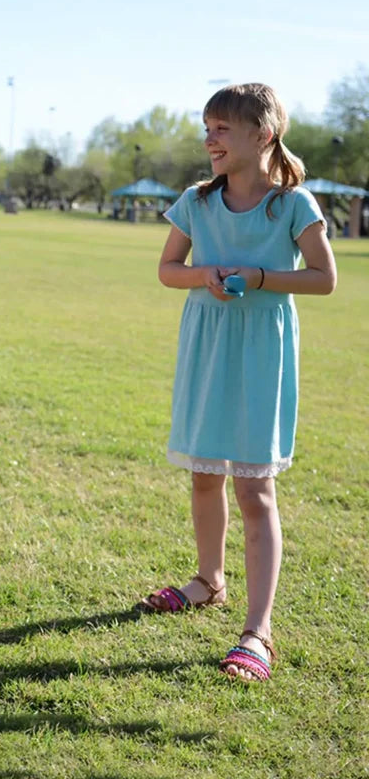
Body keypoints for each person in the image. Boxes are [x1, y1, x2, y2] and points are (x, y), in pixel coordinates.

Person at [140, 83, 336, 682]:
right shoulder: (196, 201)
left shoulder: (293, 205)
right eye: (208, 128)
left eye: (223, 128)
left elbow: (324, 279)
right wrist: (206, 274)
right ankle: (207, 581)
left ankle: (258, 630)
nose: (211, 139)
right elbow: (167, 270)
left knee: (254, 491)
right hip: (208, 347)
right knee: (204, 476)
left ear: (264, 133)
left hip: (262, 354)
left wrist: (259, 274)